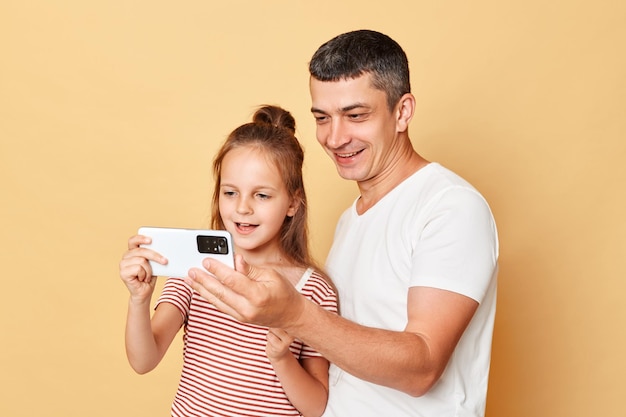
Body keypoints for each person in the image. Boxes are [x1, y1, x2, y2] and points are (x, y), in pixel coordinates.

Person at [185, 29, 499, 417]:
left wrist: (294, 314)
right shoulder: (351, 220)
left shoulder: (450, 206)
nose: (335, 138)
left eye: (355, 116)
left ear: (402, 112)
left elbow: (423, 367)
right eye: (322, 118)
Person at [119, 105, 338, 417]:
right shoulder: (194, 270)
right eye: (230, 192)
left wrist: (282, 358)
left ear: (293, 202)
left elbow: (317, 407)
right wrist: (139, 300)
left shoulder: (313, 290)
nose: (243, 208)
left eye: (261, 195)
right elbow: (144, 360)